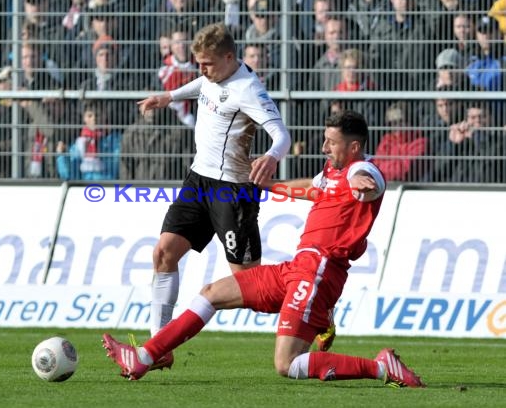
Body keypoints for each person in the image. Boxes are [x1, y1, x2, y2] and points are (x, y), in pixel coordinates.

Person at [102, 110, 426, 388]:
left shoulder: (362, 172)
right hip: (297, 267)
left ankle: (382, 367)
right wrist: (266, 185)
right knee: (212, 292)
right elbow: (313, 189)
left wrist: (364, 185)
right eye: (325, 139)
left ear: (354, 147)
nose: (324, 147)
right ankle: (144, 357)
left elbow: (370, 182)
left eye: (332, 142)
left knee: (286, 364)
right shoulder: (333, 172)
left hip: (319, 272)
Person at [135, 22, 291, 366]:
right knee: (163, 253)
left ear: (229, 57)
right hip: (198, 181)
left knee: (251, 286)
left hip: (232, 192)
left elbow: (281, 134)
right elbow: (202, 86)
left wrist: (271, 155)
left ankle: (316, 309)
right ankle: (160, 348)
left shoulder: (248, 88)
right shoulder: (213, 75)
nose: (201, 70)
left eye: (207, 64)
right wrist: (170, 97)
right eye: (199, 63)